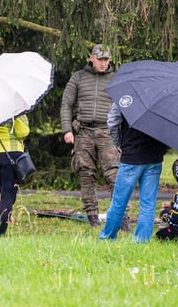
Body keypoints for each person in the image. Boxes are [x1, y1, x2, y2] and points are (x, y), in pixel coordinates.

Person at [60, 43, 120, 227]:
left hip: (108, 131)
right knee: (85, 173)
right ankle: (92, 216)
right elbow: (66, 104)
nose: (103, 63)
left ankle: (121, 216)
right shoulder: (78, 77)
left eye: (106, 59)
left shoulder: (116, 79)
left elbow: (125, 106)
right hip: (84, 131)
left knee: (115, 175)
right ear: (91, 58)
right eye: (100, 59)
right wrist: (67, 130)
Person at [99, 104, 169, 243]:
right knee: (148, 204)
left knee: (119, 202)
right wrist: (163, 148)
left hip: (131, 155)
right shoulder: (166, 94)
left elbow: (112, 120)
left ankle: (107, 237)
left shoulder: (128, 90)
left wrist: (120, 143)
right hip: (154, 157)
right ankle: (142, 241)